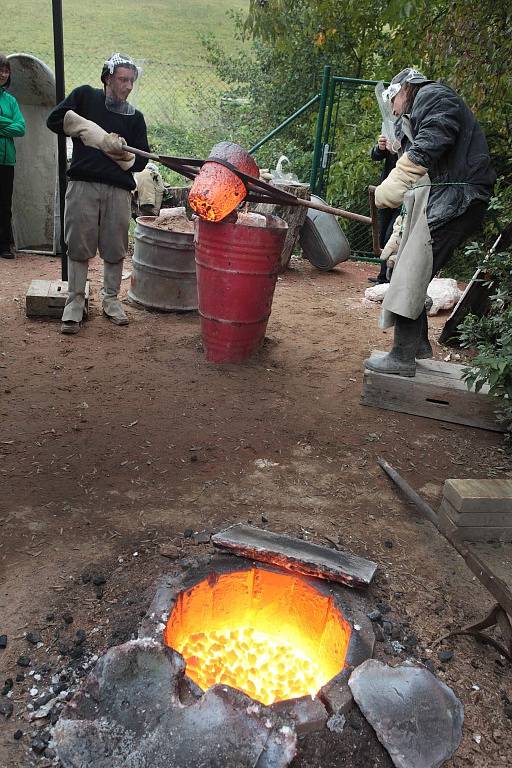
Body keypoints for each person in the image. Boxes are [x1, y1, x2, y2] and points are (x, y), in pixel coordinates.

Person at [364, 67, 495, 377]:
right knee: (405, 262)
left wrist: (397, 179)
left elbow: (433, 140)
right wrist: (401, 226)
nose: (393, 111)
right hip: (452, 196)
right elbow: (424, 175)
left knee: (412, 267)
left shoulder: (432, 96)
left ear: (402, 91)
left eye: (393, 102)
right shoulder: (422, 107)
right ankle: (418, 344)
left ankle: (403, 356)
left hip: (462, 196)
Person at [47, 53, 149, 334]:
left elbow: (141, 161)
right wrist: (88, 131)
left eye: (131, 80)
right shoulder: (84, 97)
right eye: (122, 80)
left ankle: (111, 300)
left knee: (115, 247)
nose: (128, 86)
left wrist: (121, 152)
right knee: (78, 244)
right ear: (107, 78)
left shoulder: (135, 118)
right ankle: (75, 303)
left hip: (118, 189)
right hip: (83, 184)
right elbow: (55, 120)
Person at [0, 54, 25, 259]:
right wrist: (7, 122)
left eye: (6, 70)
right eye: (0, 69)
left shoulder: (11, 101)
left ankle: (4, 246)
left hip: (7, 160)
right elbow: (13, 125)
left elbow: (21, 127)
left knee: (4, 204)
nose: (3, 74)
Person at [368, 133, 400, 284]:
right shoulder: (395, 127)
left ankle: (387, 278)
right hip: (387, 192)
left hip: (404, 195)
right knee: (382, 235)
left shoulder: (418, 128)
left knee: (391, 236)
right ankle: (383, 276)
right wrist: (380, 148)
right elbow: (376, 156)